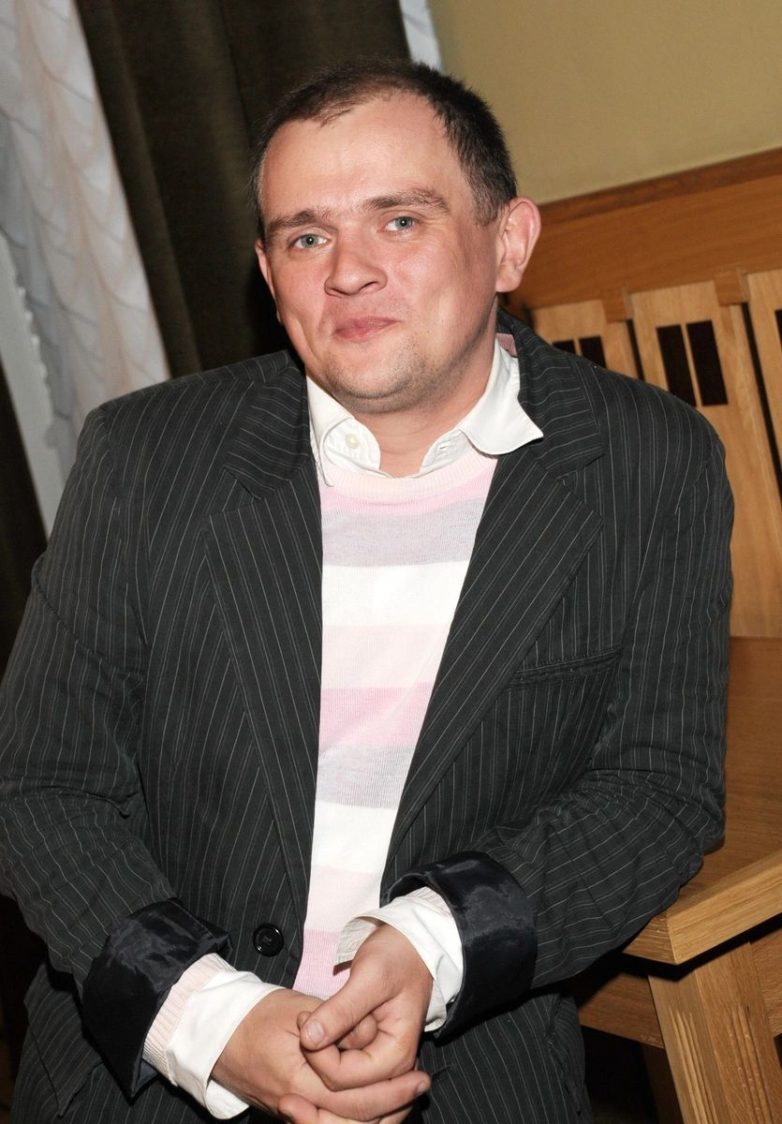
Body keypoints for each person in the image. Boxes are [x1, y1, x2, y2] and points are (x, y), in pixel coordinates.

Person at [0, 60, 732, 1124]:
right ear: (268, 271)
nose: (347, 272)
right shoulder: (144, 459)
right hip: (149, 1075)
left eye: (398, 220)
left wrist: (439, 940)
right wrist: (212, 1020)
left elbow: (656, 787)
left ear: (508, 242)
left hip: (464, 1072)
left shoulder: (647, 462)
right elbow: (37, 785)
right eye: (306, 237)